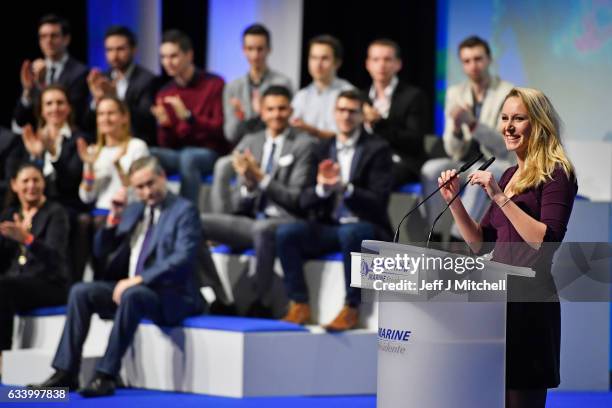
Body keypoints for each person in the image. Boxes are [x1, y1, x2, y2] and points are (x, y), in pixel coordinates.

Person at [438, 87, 577, 408]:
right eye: (504, 119)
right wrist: (454, 202)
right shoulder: (510, 173)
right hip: (495, 304)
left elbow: (545, 241)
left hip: (529, 305)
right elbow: (479, 243)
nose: (508, 127)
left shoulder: (557, 173)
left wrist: (500, 196)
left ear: (539, 124)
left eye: (518, 119)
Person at [33, 156, 207, 397]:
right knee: (81, 291)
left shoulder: (184, 211)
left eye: (151, 184)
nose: (147, 192)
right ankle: (66, 373)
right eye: (140, 187)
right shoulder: (135, 210)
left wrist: (140, 279)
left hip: (172, 296)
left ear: (163, 178)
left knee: (133, 293)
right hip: (133, 292)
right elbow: (100, 251)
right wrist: (112, 221)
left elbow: (182, 258)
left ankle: (105, 375)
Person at [278, 90, 393, 331]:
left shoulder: (377, 148)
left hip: (365, 227)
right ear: (334, 113)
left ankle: (351, 307)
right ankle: (299, 304)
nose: (346, 116)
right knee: (286, 233)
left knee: (350, 233)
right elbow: (304, 200)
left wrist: (346, 188)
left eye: (352, 111)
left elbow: (378, 202)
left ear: (362, 116)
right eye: (341, 110)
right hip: (329, 226)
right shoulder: (321, 148)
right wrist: (322, 188)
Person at [201, 85, 316, 317]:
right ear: (262, 112)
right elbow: (239, 201)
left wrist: (261, 178)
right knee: (195, 221)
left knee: (263, 229)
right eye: (270, 109)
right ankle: (221, 296)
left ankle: (260, 302)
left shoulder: (304, 144)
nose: (276, 114)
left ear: (291, 110)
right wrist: (248, 188)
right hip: (251, 220)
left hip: (288, 220)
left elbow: (295, 199)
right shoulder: (250, 141)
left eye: (282, 109)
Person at [421, 36, 514, 242]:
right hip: (464, 160)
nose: (473, 66)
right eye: (467, 61)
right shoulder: (456, 92)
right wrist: (454, 128)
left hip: (496, 162)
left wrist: (473, 124)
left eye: (478, 59)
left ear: (489, 59)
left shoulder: (507, 92)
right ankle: (434, 235)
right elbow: (452, 149)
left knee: (479, 173)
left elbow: (503, 146)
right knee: (431, 169)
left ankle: (459, 239)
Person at [7, 85, 89, 281]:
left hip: (65, 203)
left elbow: (71, 181)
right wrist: (35, 156)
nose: (55, 108)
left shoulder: (78, 139)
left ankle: (65, 280)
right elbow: (18, 174)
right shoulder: (30, 138)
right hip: (32, 204)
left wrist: (52, 154)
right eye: (49, 103)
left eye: (60, 102)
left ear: (69, 108)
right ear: (41, 110)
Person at [150, 30, 229, 205]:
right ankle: (152, 214)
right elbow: (167, 145)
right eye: (163, 57)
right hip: (179, 153)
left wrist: (189, 117)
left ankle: (186, 216)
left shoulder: (214, 84)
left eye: (173, 56)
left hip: (210, 152)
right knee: (148, 153)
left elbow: (219, 129)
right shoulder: (165, 92)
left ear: (189, 55)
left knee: (189, 157)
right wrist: (165, 125)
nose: (167, 62)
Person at [0, 163, 70, 362]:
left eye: (36, 180)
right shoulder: (10, 214)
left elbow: (56, 258)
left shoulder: (55, 213)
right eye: (25, 181)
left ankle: (2, 357)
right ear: (14, 185)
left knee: (3, 287)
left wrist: (27, 239)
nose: (31, 186)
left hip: (50, 283)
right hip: (17, 281)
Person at [364, 39, 429, 187]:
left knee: (377, 177)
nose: (381, 65)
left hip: (402, 161)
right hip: (367, 159)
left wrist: (379, 123)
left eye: (387, 59)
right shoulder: (361, 97)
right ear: (367, 64)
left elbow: (414, 141)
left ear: (398, 64)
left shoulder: (413, 96)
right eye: (376, 59)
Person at [85, 25, 158, 146]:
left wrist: (116, 98)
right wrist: (97, 100)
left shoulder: (147, 80)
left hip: (135, 142)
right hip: (105, 143)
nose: (114, 55)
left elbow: (146, 122)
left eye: (120, 49)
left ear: (133, 49)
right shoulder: (102, 78)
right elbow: (87, 124)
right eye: (109, 50)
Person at [14, 14, 89, 131]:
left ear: (66, 39)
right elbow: (20, 120)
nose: (48, 41)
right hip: (38, 139)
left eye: (54, 36)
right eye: (43, 36)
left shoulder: (80, 72)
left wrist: (42, 86)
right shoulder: (32, 71)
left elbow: (75, 116)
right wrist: (28, 91)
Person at [223, 23, 293, 145]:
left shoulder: (282, 83)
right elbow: (230, 134)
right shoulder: (233, 87)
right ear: (243, 50)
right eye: (250, 49)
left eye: (260, 49)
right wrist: (240, 117)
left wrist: (261, 113)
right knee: (222, 164)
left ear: (269, 49)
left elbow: (287, 124)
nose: (255, 55)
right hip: (243, 147)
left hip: (275, 144)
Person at [78, 96, 149, 214]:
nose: (105, 119)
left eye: (111, 113)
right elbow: (87, 197)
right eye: (101, 114)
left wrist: (118, 167)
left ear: (124, 117)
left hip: (128, 210)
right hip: (100, 212)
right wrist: (89, 167)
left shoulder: (136, 146)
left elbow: (139, 192)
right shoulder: (92, 152)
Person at [291, 34, 354, 139]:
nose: (318, 64)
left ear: (337, 63)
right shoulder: (301, 95)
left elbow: (347, 135)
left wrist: (313, 131)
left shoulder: (348, 93)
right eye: (313, 58)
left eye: (324, 58)